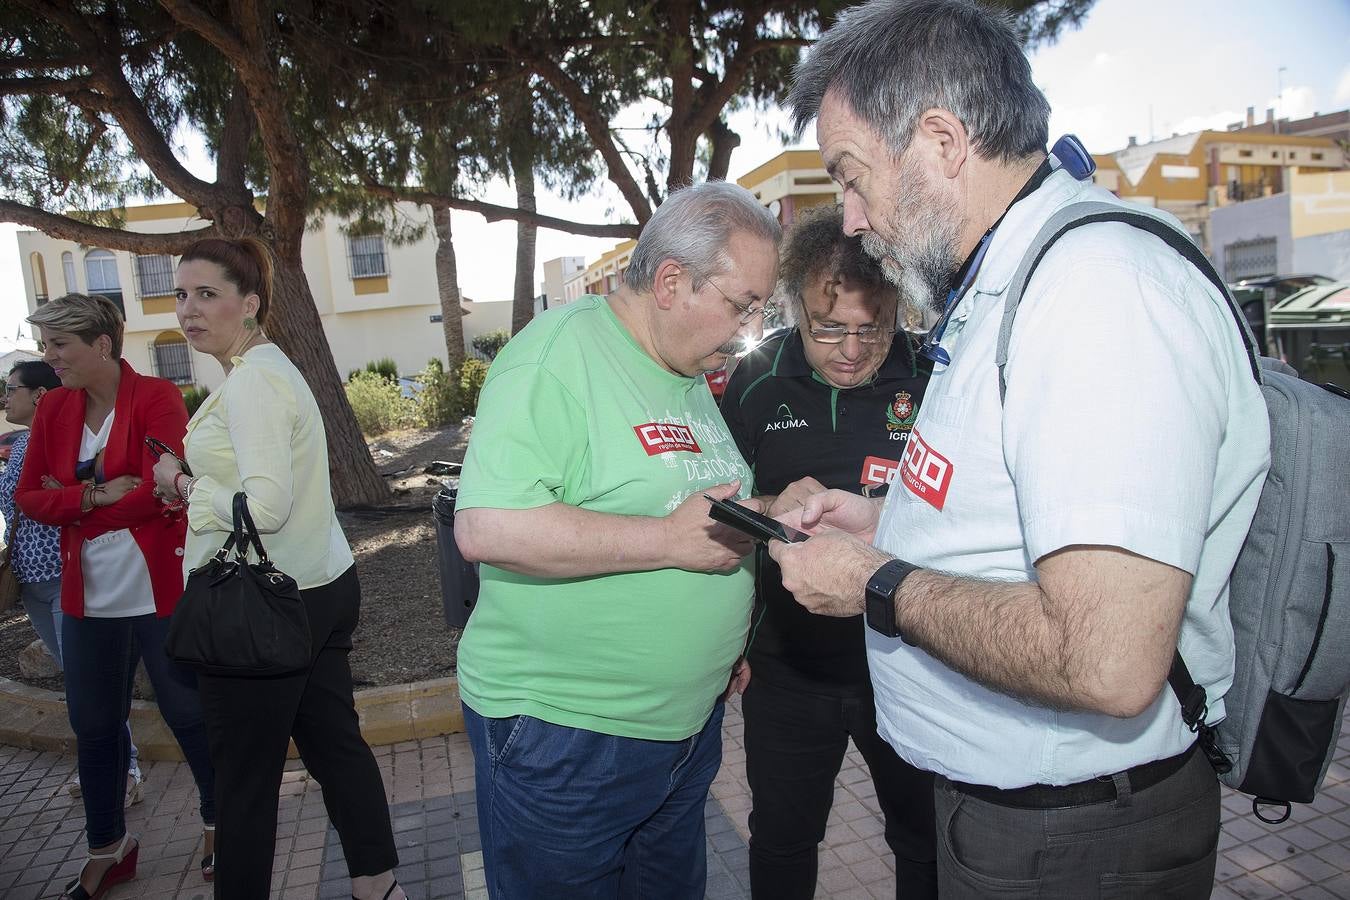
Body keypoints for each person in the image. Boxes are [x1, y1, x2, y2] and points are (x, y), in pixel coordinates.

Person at [772, 1, 1271, 896]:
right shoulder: (1017, 276)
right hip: (1026, 817)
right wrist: (886, 521)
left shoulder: (1096, 295)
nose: (847, 220)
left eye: (852, 176)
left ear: (940, 140)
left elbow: (1108, 661)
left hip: (1075, 836)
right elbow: (1022, 505)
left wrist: (874, 581)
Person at [453, 180, 780, 899]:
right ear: (670, 281)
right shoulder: (557, 356)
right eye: (743, 304)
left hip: (682, 731)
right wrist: (666, 543)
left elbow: (686, 501)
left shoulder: (687, 369)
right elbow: (487, 526)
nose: (750, 326)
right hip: (569, 738)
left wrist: (779, 512)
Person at [150, 237, 403, 900]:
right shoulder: (266, 369)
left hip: (262, 610)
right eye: (181, 294)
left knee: (243, 784)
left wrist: (180, 484)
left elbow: (263, 505)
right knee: (334, 748)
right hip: (314, 587)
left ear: (251, 302)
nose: (188, 310)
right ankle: (378, 887)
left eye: (207, 294)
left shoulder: (256, 380)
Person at [718, 206, 936, 899]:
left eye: (869, 328)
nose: (849, 348)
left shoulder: (933, 380)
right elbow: (715, 510)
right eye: (827, 328)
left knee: (924, 839)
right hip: (787, 672)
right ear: (794, 310)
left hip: (907, 662)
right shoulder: (754, 383)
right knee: (782, 838)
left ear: (896, 309)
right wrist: (770, 508)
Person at [17, 293, 217, 900]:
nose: (50, 359)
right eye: (46, 346)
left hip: (159, 592)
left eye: (60, 346)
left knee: (188, 714)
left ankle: (219, 822)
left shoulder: (156, 396)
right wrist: (96, 496)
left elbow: (165, 491)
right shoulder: (53, 409)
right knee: (95, 725)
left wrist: (71, 496)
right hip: (87, 600)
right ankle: (108, 845)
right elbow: (30, 498)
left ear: (102, 345)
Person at [0, 361, 148, 812]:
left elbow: (65, 499)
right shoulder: (21, 444)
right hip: (31, 582)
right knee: (78, 683)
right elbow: (29, 500)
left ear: (40, 395)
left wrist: (58, 495)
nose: (6, 397)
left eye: (13, 389)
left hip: (66, 576)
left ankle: (126, 772)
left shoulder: (55, 443)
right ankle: (104, 768)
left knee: (91, 685)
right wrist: (52, 495)